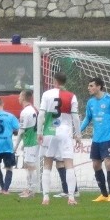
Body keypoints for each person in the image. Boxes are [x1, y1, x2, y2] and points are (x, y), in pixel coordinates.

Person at [37, 71, 82, 206]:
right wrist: (78, 134)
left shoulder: (46, 94)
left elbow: (41, 115)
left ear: (54, 81)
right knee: (68, 164)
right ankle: (71, 197)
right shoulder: (71, 96)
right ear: (64, 82)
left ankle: (45, 198)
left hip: (49, 131)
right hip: (65, 132)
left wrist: (39, 132)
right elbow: (75, 117)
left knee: (47, 164)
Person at [81, 77, 110, 203]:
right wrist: (78, 131)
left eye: (91, 85)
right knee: (95, 165)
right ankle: (103, 194)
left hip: (109, 138)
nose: (89, 88)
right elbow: (87, 118)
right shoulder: (90, 102)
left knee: (108, 163)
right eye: (89, 86)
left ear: (99, 87)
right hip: (96, 139)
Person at [14, 89, 39, 198]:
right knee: (29, 165)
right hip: (32, 140)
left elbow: (21, 131)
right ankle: (29, 188)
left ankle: (31, 190)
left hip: (31, 142)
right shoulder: (34, 109)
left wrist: (15, 146)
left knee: (30, 166)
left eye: (20, 96)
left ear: (24, 97)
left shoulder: (25, 112)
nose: (18, 98)